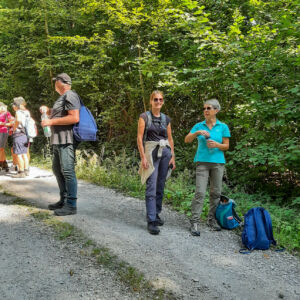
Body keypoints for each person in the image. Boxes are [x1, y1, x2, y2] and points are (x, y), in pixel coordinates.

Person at [184, 99, 230, 236]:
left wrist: (216, 144)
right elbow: (187, 140)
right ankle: (195, 221)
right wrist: (197, 133)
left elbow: (226, 146)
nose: (205, 111)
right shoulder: (199, 125)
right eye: (204, 108)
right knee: (200, 192)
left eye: (208, 108)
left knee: (216, 192)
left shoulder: (223, 127)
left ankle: (211, 219)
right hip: (202, 162)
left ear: (216, 110)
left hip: (217, 162)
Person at [40, 73, 80, 216]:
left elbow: (74, 117)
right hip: (57, 139)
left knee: (68, 171)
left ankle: (71, 204)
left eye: (56, 81)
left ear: (62, 83)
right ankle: (63, 200)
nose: (54, 84)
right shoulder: (62, 97)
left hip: (66, 138)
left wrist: (50, 122)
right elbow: (60, 114)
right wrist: (48, 111)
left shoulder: (70, 95)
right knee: (57, 169)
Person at [137, 90, 175, 235]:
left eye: (160, 99)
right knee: (151, 185)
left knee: (160, 184)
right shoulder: (144, 117)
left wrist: (173, 156)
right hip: (151, 151)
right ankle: (151, 220)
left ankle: (156, 213)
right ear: (151, 101)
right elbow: (140, 138)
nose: (158, 102)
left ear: (163, 102)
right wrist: (143, 157)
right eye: (155, 99)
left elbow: (170, 139)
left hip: (165, 152)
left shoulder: (166, 119)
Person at [11, 97, 30, 178]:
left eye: (13, 105)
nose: (13, 107)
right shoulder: (26, 112)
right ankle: (26, 170)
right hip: (25, 135)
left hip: (18, 134)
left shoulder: (18, 112)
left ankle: (21, 172)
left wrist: (14, 129)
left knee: (19, 154)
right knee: (24, 153)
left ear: (16, 105)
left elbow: (18, 120)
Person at [0, 103, 13, 172]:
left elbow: (12, 123)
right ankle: (4, 164)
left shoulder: (7, 113)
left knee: (1, 148)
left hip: (3, 131)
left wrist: (3, 123)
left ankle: (2, 164)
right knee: (1, 149)